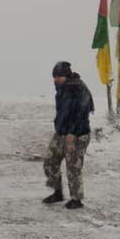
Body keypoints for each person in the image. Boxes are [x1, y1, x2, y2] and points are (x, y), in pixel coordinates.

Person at [43, 61, 94, 209]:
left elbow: (83, 112)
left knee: (73, 166)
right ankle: (57, 192)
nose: (55, 79)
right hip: (61, 133)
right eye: (54, 76)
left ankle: (76, 199)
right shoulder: (62, 88)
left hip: (77, 134)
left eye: (58, 76)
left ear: (66, 75)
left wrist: (73, 132)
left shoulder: (78, 88)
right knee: (50, 160)